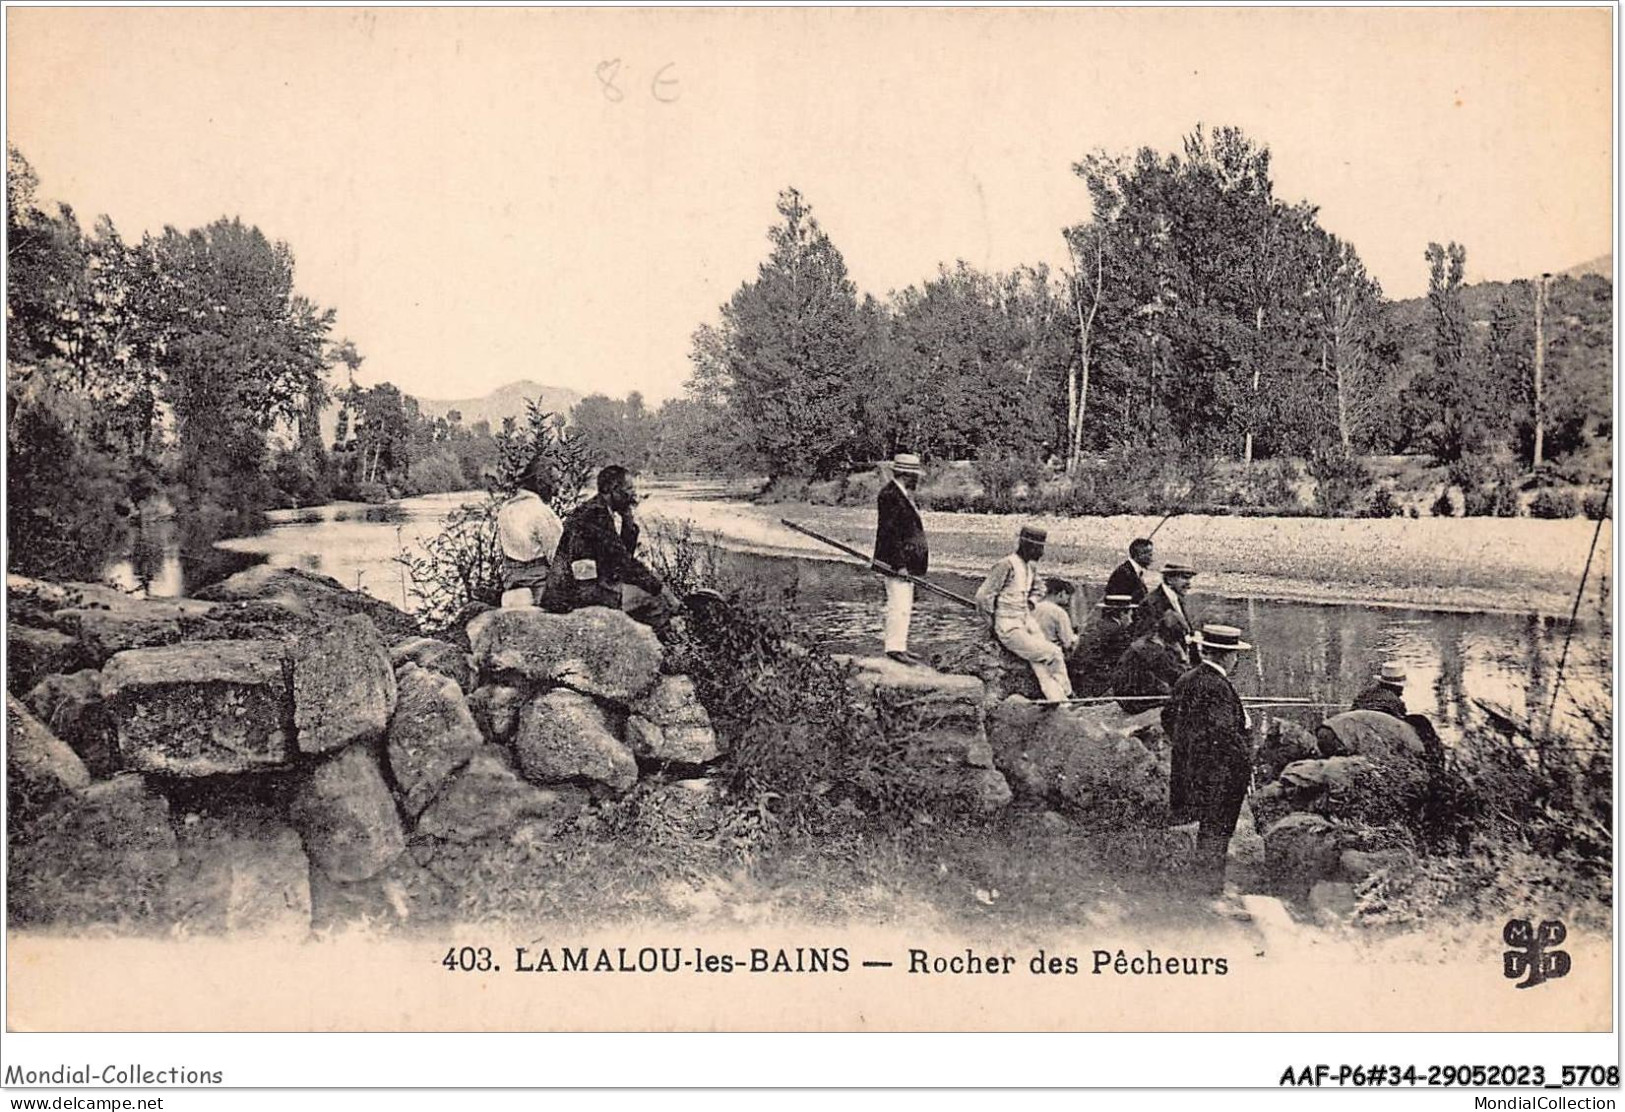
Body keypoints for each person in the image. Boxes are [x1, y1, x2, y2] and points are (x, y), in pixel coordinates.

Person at [1162, 623, 1254, 902]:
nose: (1236, 659)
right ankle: (1209, 892)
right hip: (1219, 774)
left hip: (1191, 769)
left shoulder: (1187, 678)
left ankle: (1203, 885)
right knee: (1217, 830)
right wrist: (1243, 764)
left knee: (1206, 829)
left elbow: (1167, 717)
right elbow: (1224, 733)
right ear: (1227, 656)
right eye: (1235, 654)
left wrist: (1186, 748)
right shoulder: (1218, 687)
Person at [541, 465, 682, 625]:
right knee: (654, 601)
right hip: (572, 593)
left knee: (646, 593)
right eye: (628, 488)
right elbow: (622, 561)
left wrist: (628, 521)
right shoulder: (595, 514)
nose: (633, 494)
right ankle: (659, 647)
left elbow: (620, 557)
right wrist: (660, 588)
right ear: (613, 490)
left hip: (580, 587)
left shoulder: (596, 509)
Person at [975, 524, 1073, 702]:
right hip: (1008, 626)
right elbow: (983, 596)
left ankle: (1057, 698)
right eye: (1039, 548)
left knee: (1041, 661)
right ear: (1027, 546)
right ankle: (1066, 693)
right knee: (1053, 653)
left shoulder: (1030, 568)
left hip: (1026, 622)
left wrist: (1030, 603)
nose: (1042, 553)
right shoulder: (1006, 565)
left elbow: (1040, 588)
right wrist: (992, 623)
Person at [873, 452, 928, 666]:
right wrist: (900, 565)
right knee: (898, 604)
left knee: (904, 604)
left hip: (906, 563)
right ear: (906, 475)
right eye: (914, 475)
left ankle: (900, 646)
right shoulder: (890, 495)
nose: (917, 479)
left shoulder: (900, 493)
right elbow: (890, 533)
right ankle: (894, 649)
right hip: (896, 563)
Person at [495, 455, 564, 608]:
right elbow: (557, 557)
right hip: (540, 588)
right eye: (555, 482)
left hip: (511, 585)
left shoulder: (506, 509)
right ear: (541, 483)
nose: (557, 489)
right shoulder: (543, 513)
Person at [1111, 610, 1192, 710]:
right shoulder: (1155, 650)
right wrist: (1183, 657)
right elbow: (1176, 676)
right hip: (1134, 701)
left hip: (1126, 694)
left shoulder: (1148, 640)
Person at [1069, 593, 1138, 697]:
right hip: (1097, 678)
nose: (1131, 620)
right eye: (1129, 615)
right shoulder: (1117, 631)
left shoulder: (1099, 624)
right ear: (1122, 614)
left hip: (1080, 674)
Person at [1136, 561, 1198, 662]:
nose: (1189, 584)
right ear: (1169, 579)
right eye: (1185, 577)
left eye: (1190, 578)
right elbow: (1146, 643)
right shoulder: (1151, 603)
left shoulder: (1178, 599)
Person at [1033, 576, 1080, 657]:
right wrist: (1076, 637)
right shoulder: (1059, 612)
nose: (1068, 598)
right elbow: (1067, 642)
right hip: (1050, 654)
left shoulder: (1032, 607)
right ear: (1061, 593)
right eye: (1067, 594)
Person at [1104, 537, 1156, 606]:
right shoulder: (1123, 573)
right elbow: (1117, 602)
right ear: (1139, 554)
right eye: (1150, 555)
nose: (1152, 559)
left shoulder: (1133, 572)